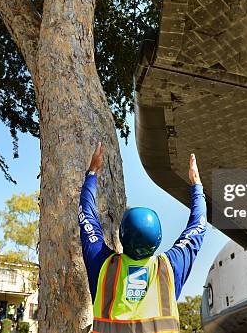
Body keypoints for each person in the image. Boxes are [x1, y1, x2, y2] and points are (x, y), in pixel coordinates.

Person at [79, 142, 206, 332]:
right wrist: (196, 185)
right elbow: (198, 226)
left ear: (122, 235)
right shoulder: (169, 269)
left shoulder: (103, 267)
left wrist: (92, 174)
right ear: (158, 240)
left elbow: (87, 218)